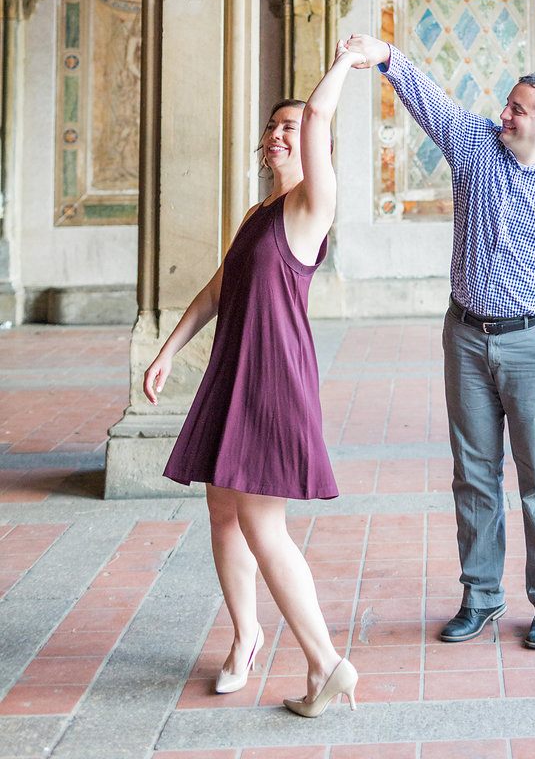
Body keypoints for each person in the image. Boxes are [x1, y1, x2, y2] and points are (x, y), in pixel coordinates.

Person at [344, 34, 535, 651]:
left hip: (533, 344)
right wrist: (388, 57)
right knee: (473, 475)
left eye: (516, 109)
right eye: (506, 105)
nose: (504, 114)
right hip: (467, 338)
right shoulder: (477, 149)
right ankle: (480, 598)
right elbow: (431, 104)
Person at [143, 43, 358, 720]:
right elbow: (217, 289)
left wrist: (350, 62)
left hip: (274, 379)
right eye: (272, 126)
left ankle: (326, 664)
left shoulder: (311, 206)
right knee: (221, 509)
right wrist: (168, 349)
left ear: (316, 144)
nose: (277, 134)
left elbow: (323, 117)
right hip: (234, 370)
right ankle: (245, 639)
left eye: (289, 127)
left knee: (264, 525)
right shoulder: (258, 216)